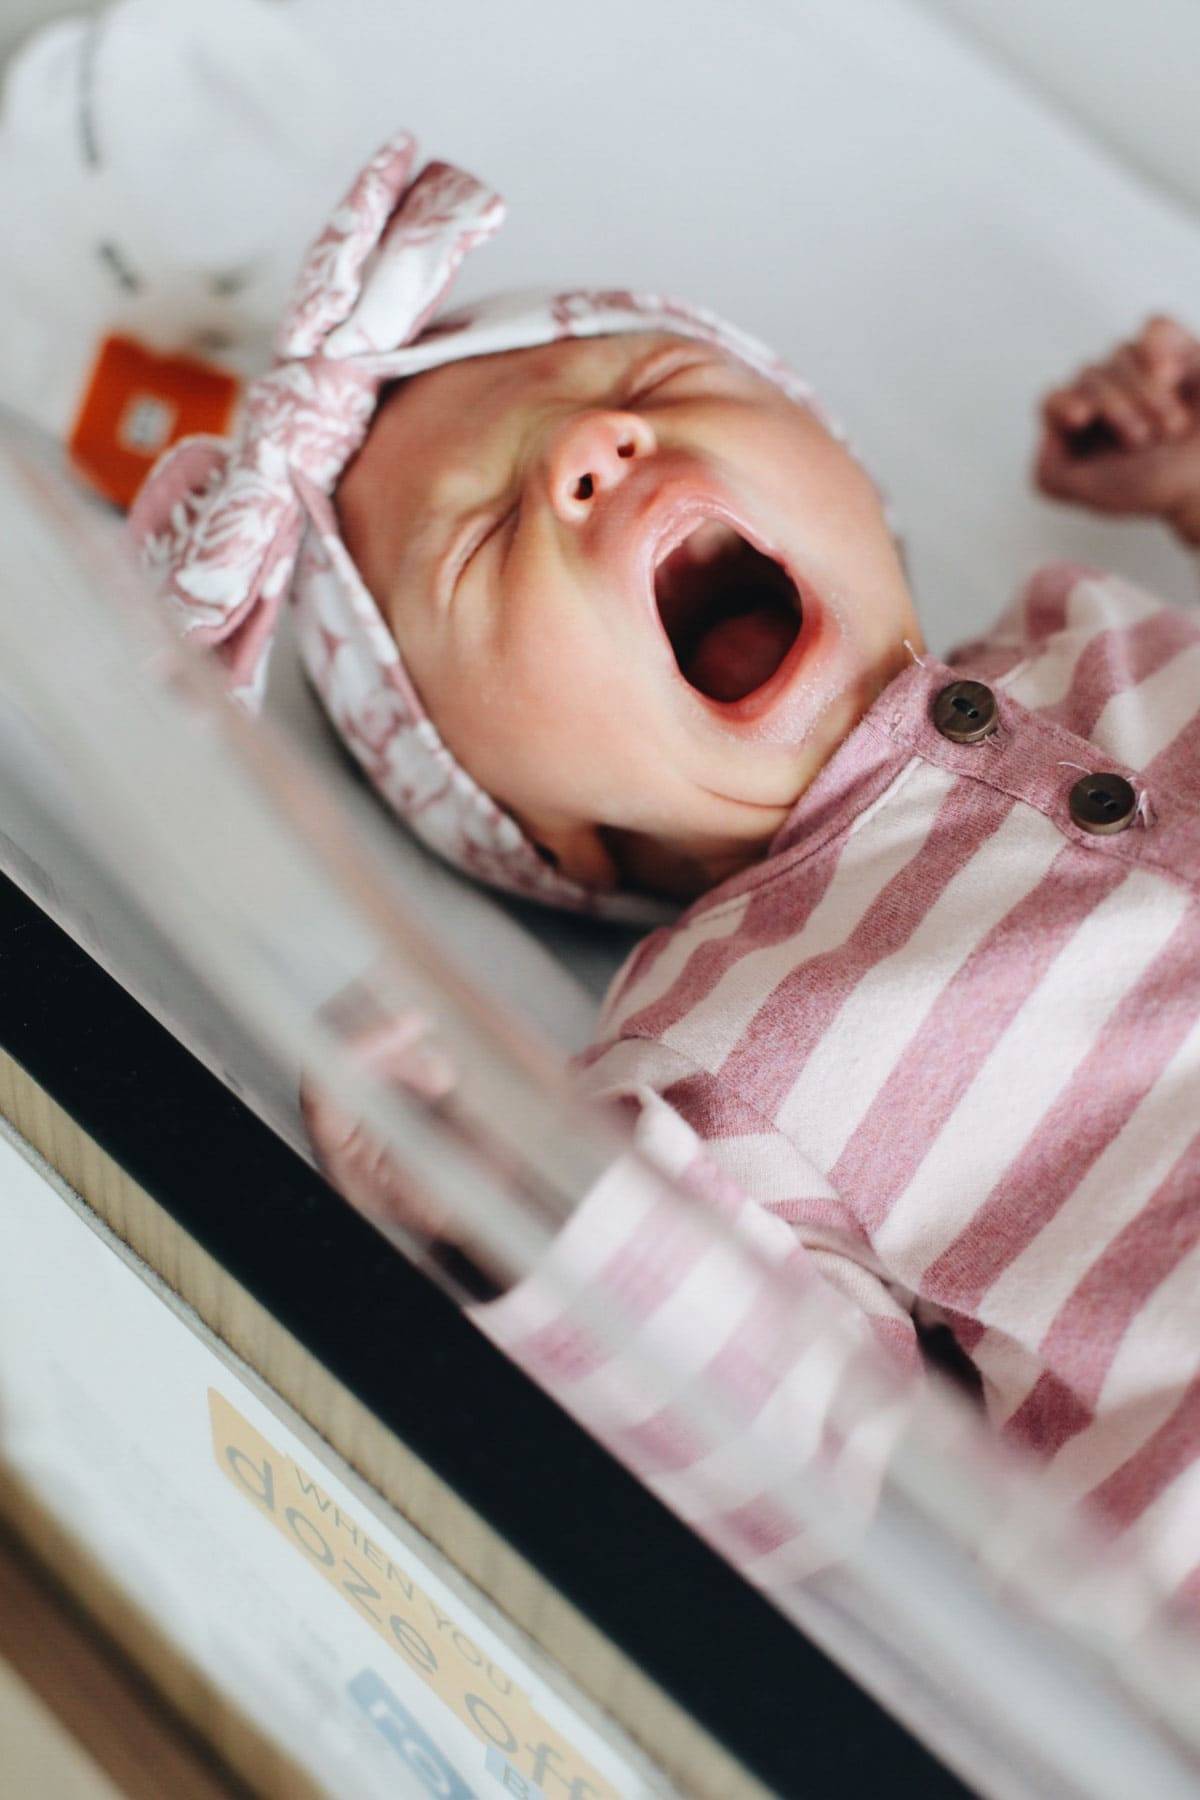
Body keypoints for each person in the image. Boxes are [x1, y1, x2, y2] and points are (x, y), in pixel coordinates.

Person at [135, 135, 1200, 1607]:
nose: (597, 446)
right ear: (535, 827)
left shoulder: (1095, 620)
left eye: (658, 382)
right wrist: (530, 1195)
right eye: (486, 541)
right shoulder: (717, 1044)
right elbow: (791, 1450)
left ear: (850, 472)